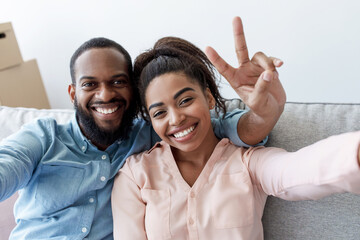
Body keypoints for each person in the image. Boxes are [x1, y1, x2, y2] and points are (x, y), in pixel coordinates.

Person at [0, 18, 284, 240]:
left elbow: (222, 127)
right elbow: (7, 165)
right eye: (90, 84)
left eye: (118, 81)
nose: (105, 94)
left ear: (134, 93)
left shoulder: (152, 132)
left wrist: (263, 112)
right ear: (73, 93)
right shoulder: (42, 137)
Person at [111, 25, 360, 240]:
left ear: (208, 98)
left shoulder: (248, 163)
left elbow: (299, 171)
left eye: (185, 100)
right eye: (159, 113)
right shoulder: (135, 175)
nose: (176, 119)